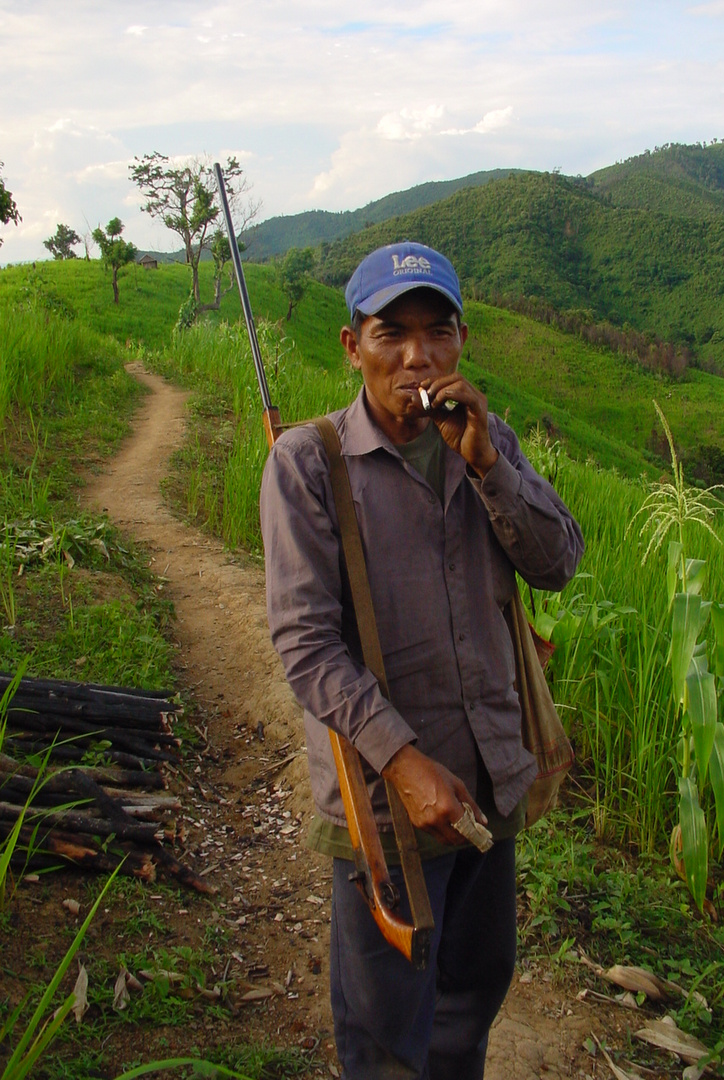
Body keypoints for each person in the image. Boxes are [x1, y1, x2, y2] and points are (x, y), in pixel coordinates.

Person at [260, 241, 584, 1079]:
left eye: (435, 333)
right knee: (385, 1035)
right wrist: (402, 760)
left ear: (461, 341)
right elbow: (305, 641)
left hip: (487, 781)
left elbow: (557, 564)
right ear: (351, 345)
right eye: (390, 334)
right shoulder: (310, 464)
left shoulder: (488, 439)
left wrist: (486, 465)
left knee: (470, 999)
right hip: (382, 803)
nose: (416, 358)